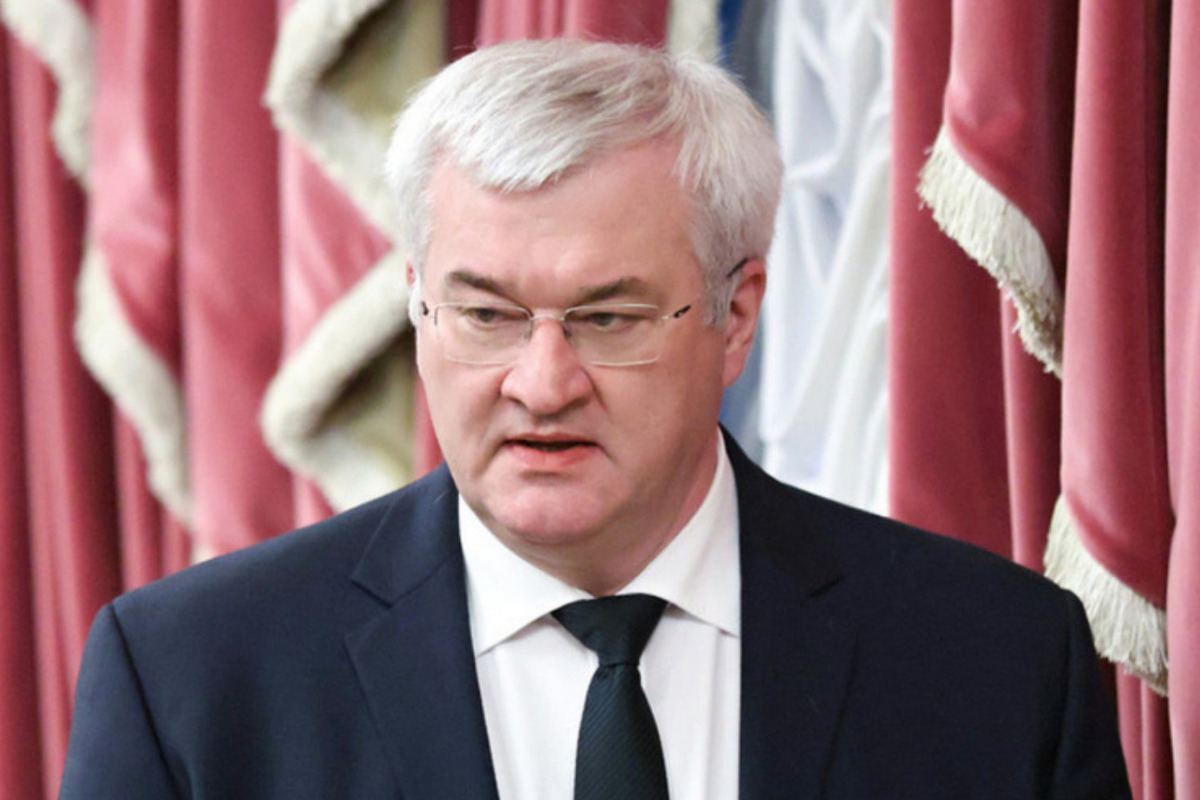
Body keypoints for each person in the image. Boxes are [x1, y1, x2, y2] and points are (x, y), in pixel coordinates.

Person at [59, 39, 1130, 799]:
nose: (541, 383)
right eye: (486, 314)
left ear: (735, 315)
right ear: (417, 307)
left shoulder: (996, 663)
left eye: (608, 318)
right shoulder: (193, 680)